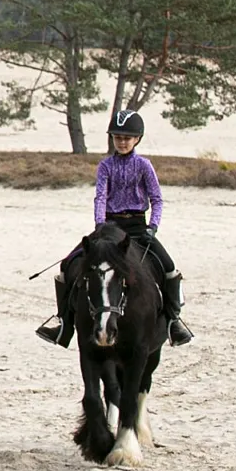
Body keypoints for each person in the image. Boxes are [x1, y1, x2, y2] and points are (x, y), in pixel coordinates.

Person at [36, 110, 193, 348]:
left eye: (127, 138)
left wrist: (153, 226)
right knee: (67, 265)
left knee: (169, 268)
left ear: (137, 139)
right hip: (109, 227)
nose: (121, 142)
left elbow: (157, 199)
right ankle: (63, 322)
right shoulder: (105, 166)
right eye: (117, 137)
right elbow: (100, 196)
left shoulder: (144, 166)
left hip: (138, 226)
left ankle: (174, 320)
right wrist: (99, 224)